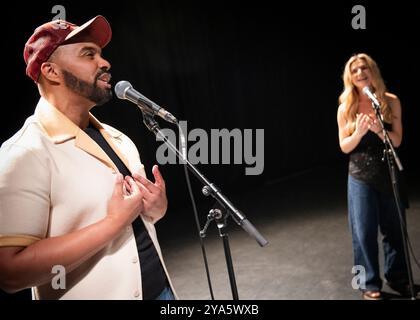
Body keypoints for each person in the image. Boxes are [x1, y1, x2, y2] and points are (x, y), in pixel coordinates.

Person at [0, 15, 176, 300]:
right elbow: (10, 272)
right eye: (88, 54)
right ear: (51, 71)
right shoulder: (25, 153)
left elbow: (143, 218)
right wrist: (112, 222)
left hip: (161, 293)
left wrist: (156, 207)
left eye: (101, 55)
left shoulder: (119, 139)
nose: (105, 63)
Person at [337, 53, 412, 300]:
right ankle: (369, 283)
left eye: (364, 68)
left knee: (395, 229)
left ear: (373, 71)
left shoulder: (391, 101)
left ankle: (398, 277)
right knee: (363, 232)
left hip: (388, 171)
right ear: (350, 76)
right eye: (355, 70)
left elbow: (398, 140)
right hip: (359, 175)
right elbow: (344, 147)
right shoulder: (345, 105)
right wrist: (358, 133)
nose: (360, 73)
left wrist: (380, 130)